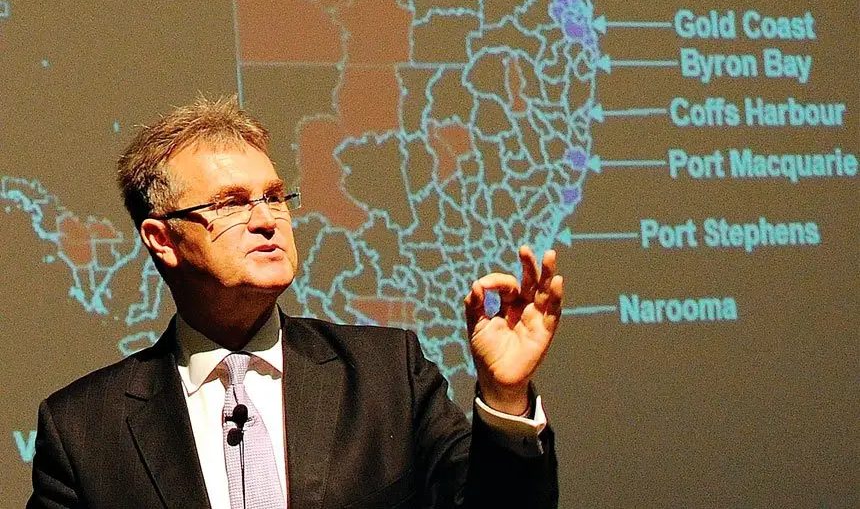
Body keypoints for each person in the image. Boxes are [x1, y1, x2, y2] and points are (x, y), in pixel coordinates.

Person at [27, 95, 564, 508]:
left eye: (273, 196)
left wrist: (505, 396)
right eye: (232, 204)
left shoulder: (387, 376)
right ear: (162, 239)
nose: (267, 219)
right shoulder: (83, 430)